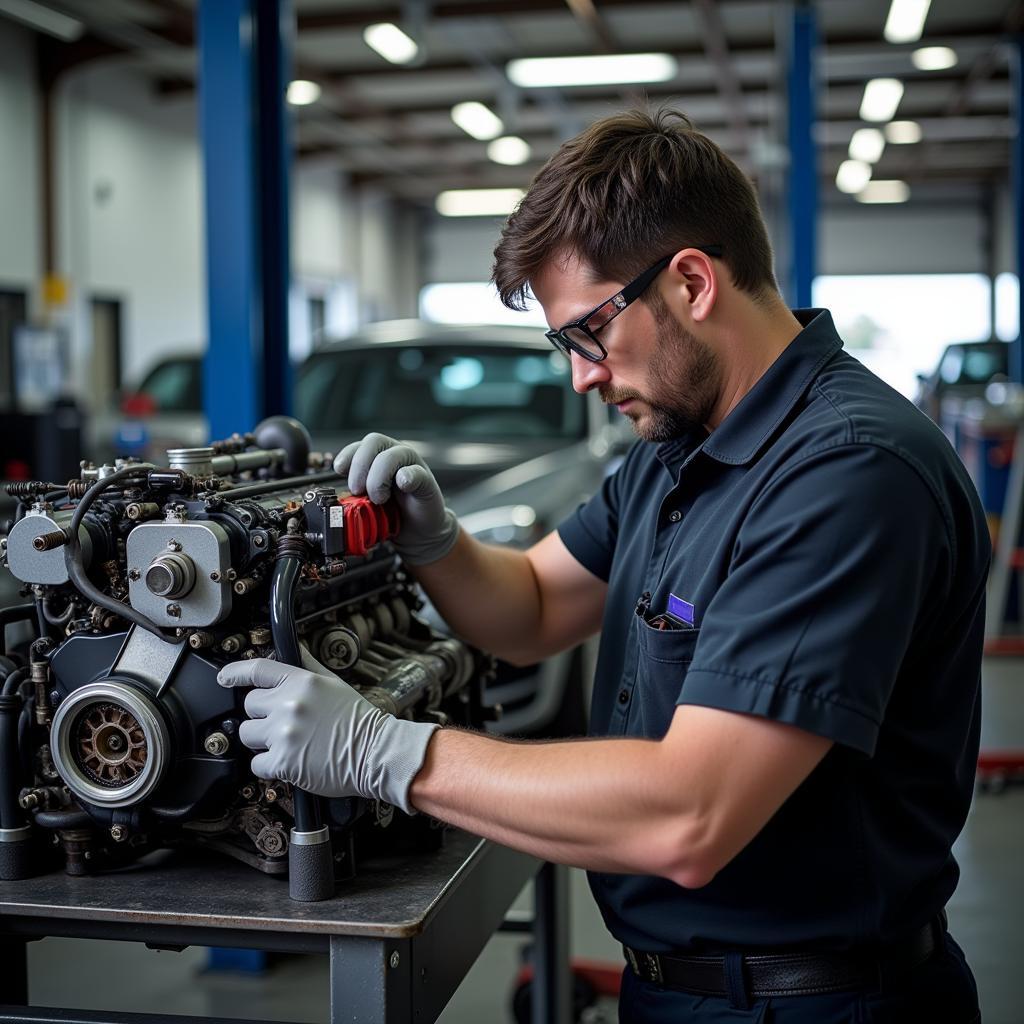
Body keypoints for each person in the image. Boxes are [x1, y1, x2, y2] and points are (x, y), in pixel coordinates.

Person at [219, 109, 987, 1022]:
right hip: (680, 988)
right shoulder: (677, 453)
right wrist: (436, 543)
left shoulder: (847, 472)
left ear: (693, 281)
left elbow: (690, 815)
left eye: (588, 335)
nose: (582, 376)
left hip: (815, 1003)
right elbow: (537, 605)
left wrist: (385, 752)